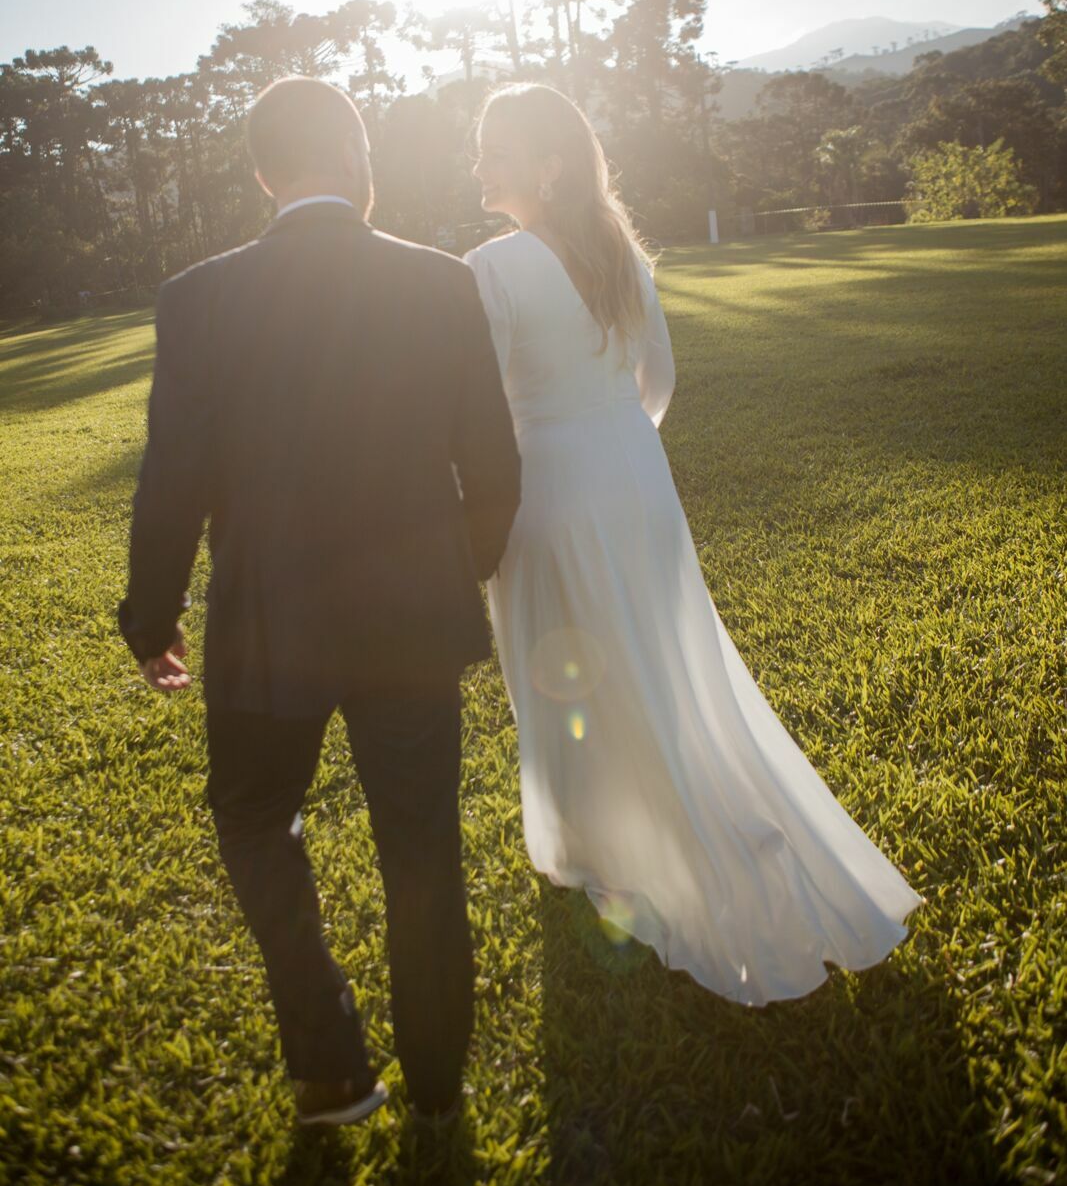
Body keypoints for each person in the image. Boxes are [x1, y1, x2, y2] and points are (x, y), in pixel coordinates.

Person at [118, 76, 521, 1127]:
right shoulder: (439, 283)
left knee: (253, 816)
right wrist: (450, 573)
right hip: (409, 624)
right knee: (421, 847)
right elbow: (495, 471)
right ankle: (436, 1088)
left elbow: (172, 480)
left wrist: (149, 617)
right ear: (357, 158)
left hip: (264, 622)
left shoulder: (197, 298)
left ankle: (332, 1064)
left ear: (261, 173)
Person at [464, 83, 921, 1005]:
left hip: (546, 489)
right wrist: (614, 443)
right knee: (656, 664)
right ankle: (668, 827)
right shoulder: (623, 253)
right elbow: (657, 384)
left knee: (568, 667)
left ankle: (605, 850)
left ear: (547, 166)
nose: (476, 166)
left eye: (493, 150)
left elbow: (475, 414)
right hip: (635, 479)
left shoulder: (491, 267)